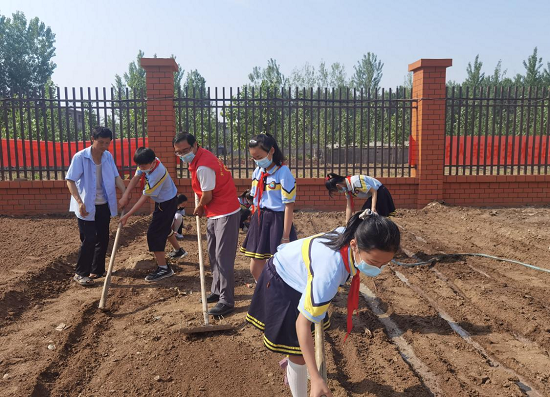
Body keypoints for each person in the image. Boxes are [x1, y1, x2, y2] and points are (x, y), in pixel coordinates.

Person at [247, 210, 400, 397]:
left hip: (301, 276)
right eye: (374, 261)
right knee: (297, 350)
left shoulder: (354, 232)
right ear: (354, 246)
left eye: (384, 263)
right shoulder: (329, 274)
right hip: (283, 281)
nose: (378, 268)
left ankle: (296, 367)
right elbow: (302, 324)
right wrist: (316, 377)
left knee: (301, 348)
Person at [174, 132, 240, 317]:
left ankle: (227, 301)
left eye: (185, 150)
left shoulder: (203, 165)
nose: (183, 155)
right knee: (213, 252)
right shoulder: (199, 158)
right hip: (216, 211)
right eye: (178, 152)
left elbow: (207, 195)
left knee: (223, 257)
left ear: (195, 145)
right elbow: (205, 191)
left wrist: (200, 206)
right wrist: (203, 205)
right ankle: (217, 290)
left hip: (225, 211)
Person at [66, 126, 126, 286]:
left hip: (103, 205)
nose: (104, 146)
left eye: (107, 143)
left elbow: (115, 176)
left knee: (103, 238)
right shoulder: (80, 157)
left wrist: (125, 193)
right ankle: (80, 273)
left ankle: (97, 270)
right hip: (86, 205)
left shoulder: (108, 156)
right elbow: (70, 180)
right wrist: (79, 202)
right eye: (101, 142)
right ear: (92, 139)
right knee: (89, 239)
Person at [118, 147, 187, 282]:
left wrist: (127, 215)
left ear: (152, 162)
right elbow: (136, 177)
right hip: (164, 201)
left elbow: (145, 198)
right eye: (139, 165)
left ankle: (164, 268)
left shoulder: (157, 173)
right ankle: (179, 251)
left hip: (166, 204)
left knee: (154, 234)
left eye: (143, 165)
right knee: (164, 228)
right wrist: (126, 194)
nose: (141, 168)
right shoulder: (149, 163)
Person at [240, 133, 297, 281]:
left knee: (278, 264)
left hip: (276, 221)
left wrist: (285, 236)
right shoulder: (257, 172)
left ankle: (277, 295)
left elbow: (289, 206)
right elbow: (254, 199)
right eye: (254, 158)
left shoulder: (283, 173)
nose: (257, 161)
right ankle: (265, 293)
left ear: (271, 151)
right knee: (255, 266)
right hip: (259, 220)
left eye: (259, 156)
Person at [325, 173, 396, 222]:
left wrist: (373, 208)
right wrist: (347, 222)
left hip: (380, 193)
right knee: (363, 215)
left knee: (371, 218)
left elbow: (374, 191)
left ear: (338, 186)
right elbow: (348, 206)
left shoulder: (355, 182)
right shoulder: (347, 189)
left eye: (336, 190)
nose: (339, 192)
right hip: (373, 196)